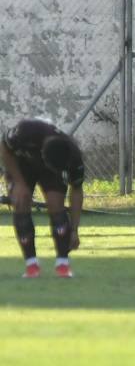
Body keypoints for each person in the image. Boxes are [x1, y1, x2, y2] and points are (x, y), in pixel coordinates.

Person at [1, 118, 84, 278]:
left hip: (51, 170)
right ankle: (31, 265)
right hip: (22, 164)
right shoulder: (26, 130)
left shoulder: (72, 155)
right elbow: (4, 148)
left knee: (56, 203)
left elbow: (77, 190)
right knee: (21, 202)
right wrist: (19, 183)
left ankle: (62, 264)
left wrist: (74, 230)